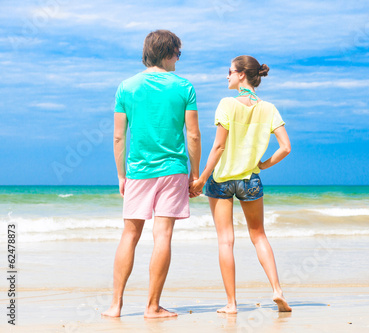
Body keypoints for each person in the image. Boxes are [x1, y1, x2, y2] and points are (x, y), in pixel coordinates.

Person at [102, 30, 201, 318]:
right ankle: (152, 306)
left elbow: (119, 137)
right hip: (172, 170)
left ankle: (115, 305)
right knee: (163, 236)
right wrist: (195, 174)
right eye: (178, 54)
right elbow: (192, 135)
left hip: (137, 171)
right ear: (170, 53)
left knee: (129, 235)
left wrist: (121, 174)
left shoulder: (126, 87)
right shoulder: (184, 87)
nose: (178, 60)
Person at [190, 55, 292, 314]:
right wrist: (263, 165)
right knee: (259, 236)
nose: (227, 76)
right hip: (250, 179)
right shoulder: (269, 108)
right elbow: (285, 148)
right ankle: (277, 290)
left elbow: (219, 146)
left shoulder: (226, 104)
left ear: (241, 75)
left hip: (222, 180)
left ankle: (232, 304)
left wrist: (201, 178)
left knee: (226, 241)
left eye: (230, 72)